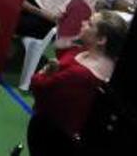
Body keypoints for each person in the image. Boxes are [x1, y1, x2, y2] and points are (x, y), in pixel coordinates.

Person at [28, 11, 129, 153]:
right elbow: (65, 54)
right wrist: (63, 26)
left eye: (90, 23)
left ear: (101, 39)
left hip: (50, 134)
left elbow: (38, 87)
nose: (83, 23)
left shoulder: (80, 75)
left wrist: (44, 72)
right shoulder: (93, 56)